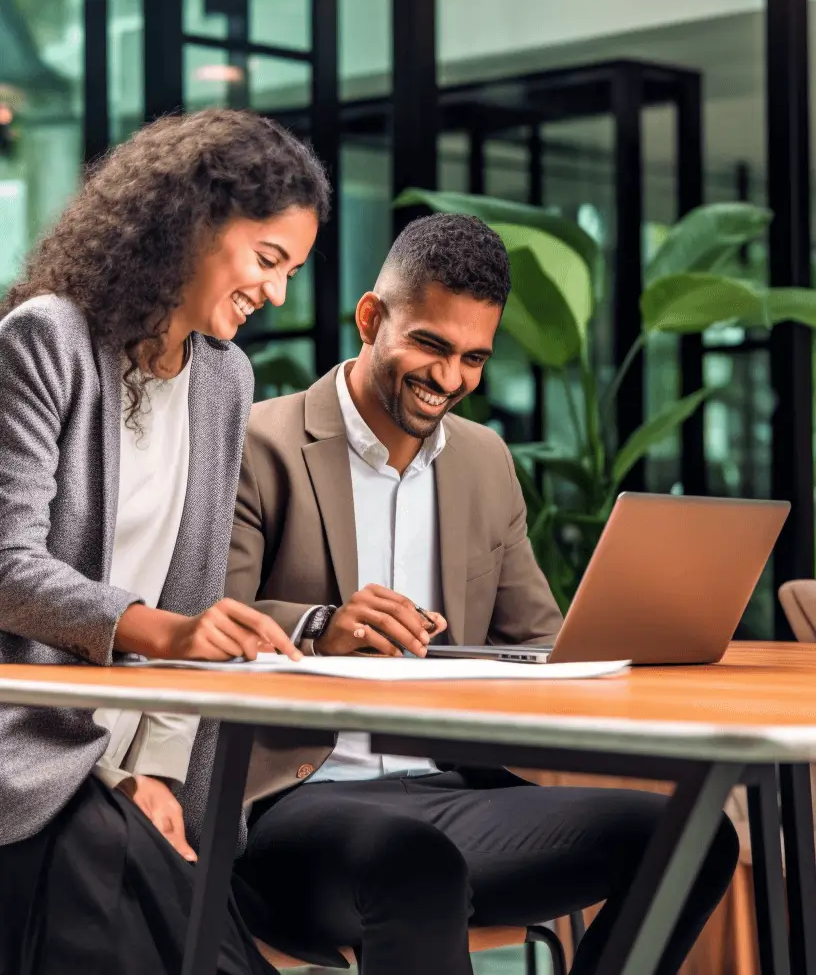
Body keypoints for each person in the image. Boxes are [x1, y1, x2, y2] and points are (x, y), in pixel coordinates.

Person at [227, 212, 740, 975]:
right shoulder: (257, 443)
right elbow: (204, 620)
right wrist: (318, 626)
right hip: (293, 806)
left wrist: (629, 632)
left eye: (473, 358)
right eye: (430, 345)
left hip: (448, 791)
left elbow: (541, 637)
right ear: (373, 318)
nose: (450, 378)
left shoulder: (483, 461)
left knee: (693, 836)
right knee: (415, 864)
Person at [0, 108, 330, 975]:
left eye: (293, 271)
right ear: (189, 224)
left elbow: (195, 592)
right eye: (269, 261)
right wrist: (162, 631)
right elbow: (5, 565)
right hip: (30, 751)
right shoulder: (47, 340)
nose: (279, 294)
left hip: (141, 763)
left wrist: (153, 772)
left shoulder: (226, 379)